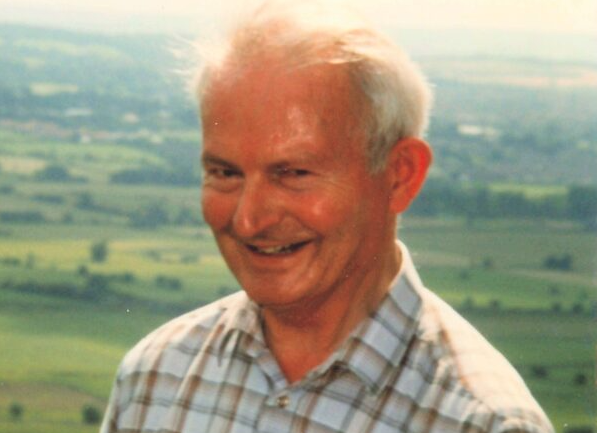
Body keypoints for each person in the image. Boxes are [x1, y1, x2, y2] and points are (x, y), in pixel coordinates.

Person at [101, 1, 554, 432]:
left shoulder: (481, 422)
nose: (248, 220)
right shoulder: (155, 377)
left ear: (400, 176)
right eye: (225, 173)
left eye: (293, 173)